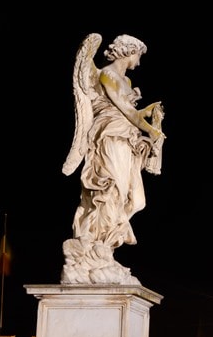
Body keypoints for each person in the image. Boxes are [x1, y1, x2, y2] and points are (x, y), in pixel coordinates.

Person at [61, 33, 165, 286]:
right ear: (128, 51)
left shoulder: (126, 79)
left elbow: (129, 111)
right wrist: (152, 131)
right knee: (112, 192)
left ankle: (104, 246)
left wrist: (148, 112)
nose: (138, 62)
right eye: (138, 56)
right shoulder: (107, 75)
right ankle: (94, 247)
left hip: (127, 139)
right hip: (110, 137)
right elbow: (125, 110)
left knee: (137, 201)